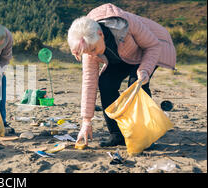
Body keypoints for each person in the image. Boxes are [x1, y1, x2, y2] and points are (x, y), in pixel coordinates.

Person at [67, 3, 176, 147]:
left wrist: (145, 70)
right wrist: (86, 122)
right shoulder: (88, 44)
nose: (93, 55)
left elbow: (153, 46)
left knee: (137, 84)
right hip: (120, 58)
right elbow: (89, 82)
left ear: (101, 34)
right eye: (88, 53)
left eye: (93, 49)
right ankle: (117, 135)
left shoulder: (127, 24)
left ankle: (145, 136)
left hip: (148, 49)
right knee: (105, 83)